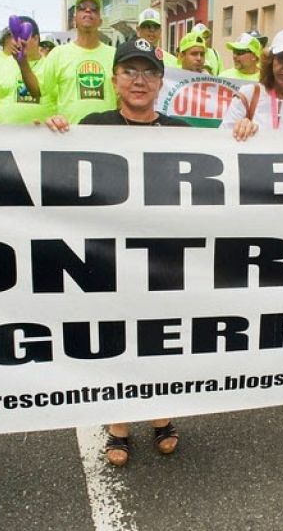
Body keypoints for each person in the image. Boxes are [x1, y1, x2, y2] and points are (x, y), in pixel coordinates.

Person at [43, 38, 187, 465]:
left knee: (160, 338)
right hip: (108, 257)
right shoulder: (93, 123)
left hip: (163, 258)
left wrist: (243, 136)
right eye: (129, 71)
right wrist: (51, 135)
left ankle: (162, 416)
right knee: (117, 340)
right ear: (114, 79)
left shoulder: (181, 132)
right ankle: (119, 424)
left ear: (161, 81)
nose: (138, 80)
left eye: (148, 72)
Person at [35, 0, 116, 124]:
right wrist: (51, 118)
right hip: (68, 135)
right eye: (82, 8)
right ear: (74, 21)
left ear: (100, 21)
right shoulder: (58, 54)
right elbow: (43, 93)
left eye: (94, 9)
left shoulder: (114, 55)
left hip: (107, 135)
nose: (88, 10)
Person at [0, 16, 49, 124]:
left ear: (36, 39)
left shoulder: (51, 65)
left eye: (22, 35)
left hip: (43, 136)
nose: (17, 40)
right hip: (4, 137)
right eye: (13, 36)